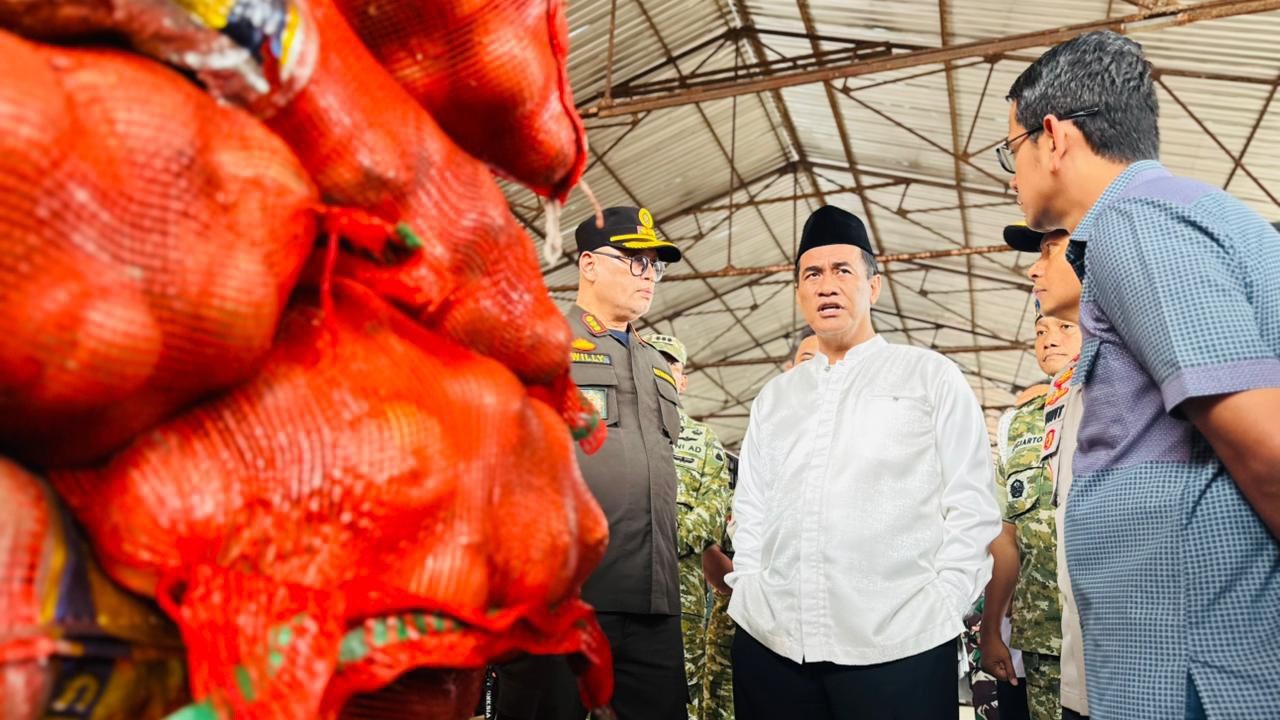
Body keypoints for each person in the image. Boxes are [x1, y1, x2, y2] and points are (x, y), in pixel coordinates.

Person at [1003, 31, 1280, 717]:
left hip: (1192, 658)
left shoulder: (1133, 225)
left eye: (1012, 150)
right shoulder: (1196, 214)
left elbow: (1266, 448)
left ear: (1053, 138)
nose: (1011, 177)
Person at [726, 205, 1001, 719]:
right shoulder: (776, 398)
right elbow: (752, 507)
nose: (827, 285)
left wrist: (944, 600)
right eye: (812, 274)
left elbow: (971, 503)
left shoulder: (928, 377)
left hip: (900, 645)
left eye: (842, 271)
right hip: (774, 644)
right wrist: (750, 586)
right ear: (799, 292)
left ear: (873, 286)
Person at [497, 206, 687, 720]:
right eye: (635, 260)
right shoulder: (543, 343)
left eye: (655, 265)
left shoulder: (657, 366)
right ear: (588, 265)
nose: (648, 275)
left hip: (652, 603)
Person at [644, 333, 733, 720]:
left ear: (682, 381)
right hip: (612, 596)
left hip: (682, 604)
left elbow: (712, 512)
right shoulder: (610, 434)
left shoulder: (703, 440)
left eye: (671, 364)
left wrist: (648, 537)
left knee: (681, 699)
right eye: (652, 360)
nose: (661, 369)